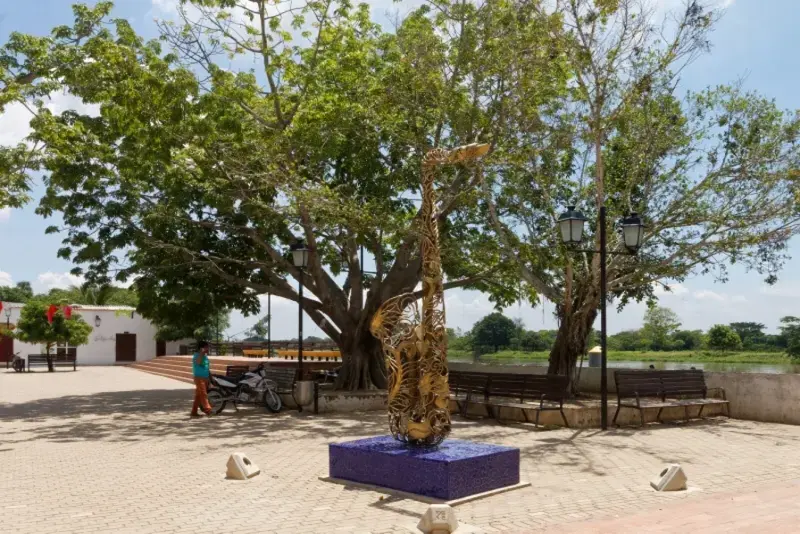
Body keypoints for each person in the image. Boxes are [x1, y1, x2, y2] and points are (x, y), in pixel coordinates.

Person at [191, 341, 213, 417]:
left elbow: (207, 367)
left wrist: (210, 378)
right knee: (203, 394)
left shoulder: (205, 356)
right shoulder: (196, 356)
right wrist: (202, 353)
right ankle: (208, 410)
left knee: (198, 396)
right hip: (199, 378)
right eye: (206, 347)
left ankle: (194, 412)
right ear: (201, 348)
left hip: (205, 378)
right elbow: (199, 362)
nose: (208, 349)